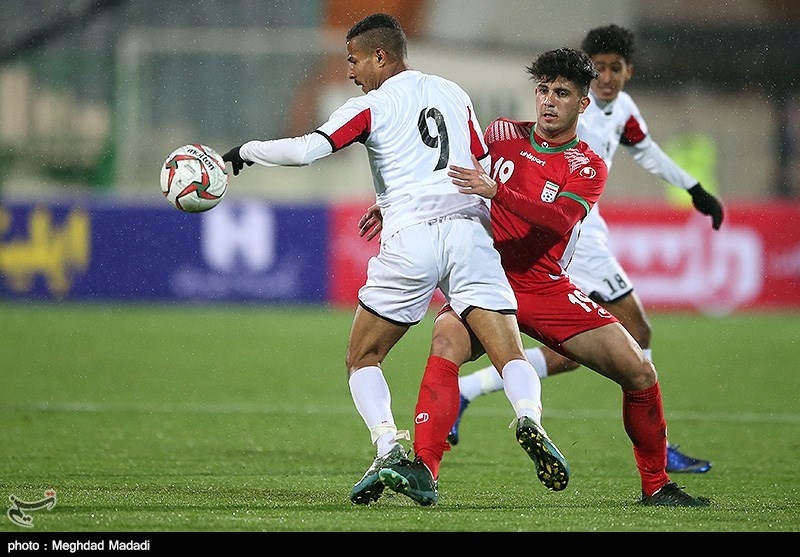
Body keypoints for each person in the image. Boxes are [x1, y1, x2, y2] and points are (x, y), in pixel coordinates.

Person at [220, 12, 568, 506]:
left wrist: (244, 152)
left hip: (412, 240)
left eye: (354, 60)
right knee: (507, 350)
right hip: (469, 230)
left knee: (362, 356)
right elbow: (480, 164)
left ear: (380, 56)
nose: (349, 72)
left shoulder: (372, 105)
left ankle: (388, 446)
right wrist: (397, 201)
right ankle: (529, 416)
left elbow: (309, 150)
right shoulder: (453, 91)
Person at [360, 47, 709, 507]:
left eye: (561, 93)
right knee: (445, 340)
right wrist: (394, 206)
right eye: (542, 90)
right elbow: (446, 170)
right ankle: (425, 470)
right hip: (483, 277)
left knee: (639, 371)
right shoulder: (500, 133)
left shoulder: (587, 165)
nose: (547, 101)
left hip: (544, 285)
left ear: (582, 104)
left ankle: (657, 485)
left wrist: (497, 191)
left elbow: (558, 221)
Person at [449, 24, 724, 474]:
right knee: (636, 335)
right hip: (570, 235)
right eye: (598, 70)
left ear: (628, 71)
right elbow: (531, 181)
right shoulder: (571, 111)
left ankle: (467, 391)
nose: (607, 79)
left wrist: (694, 188)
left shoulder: (623, 110)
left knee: (573, 353)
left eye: (615, 69)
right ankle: (660, 447)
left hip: (574, 230)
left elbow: (647, 151)